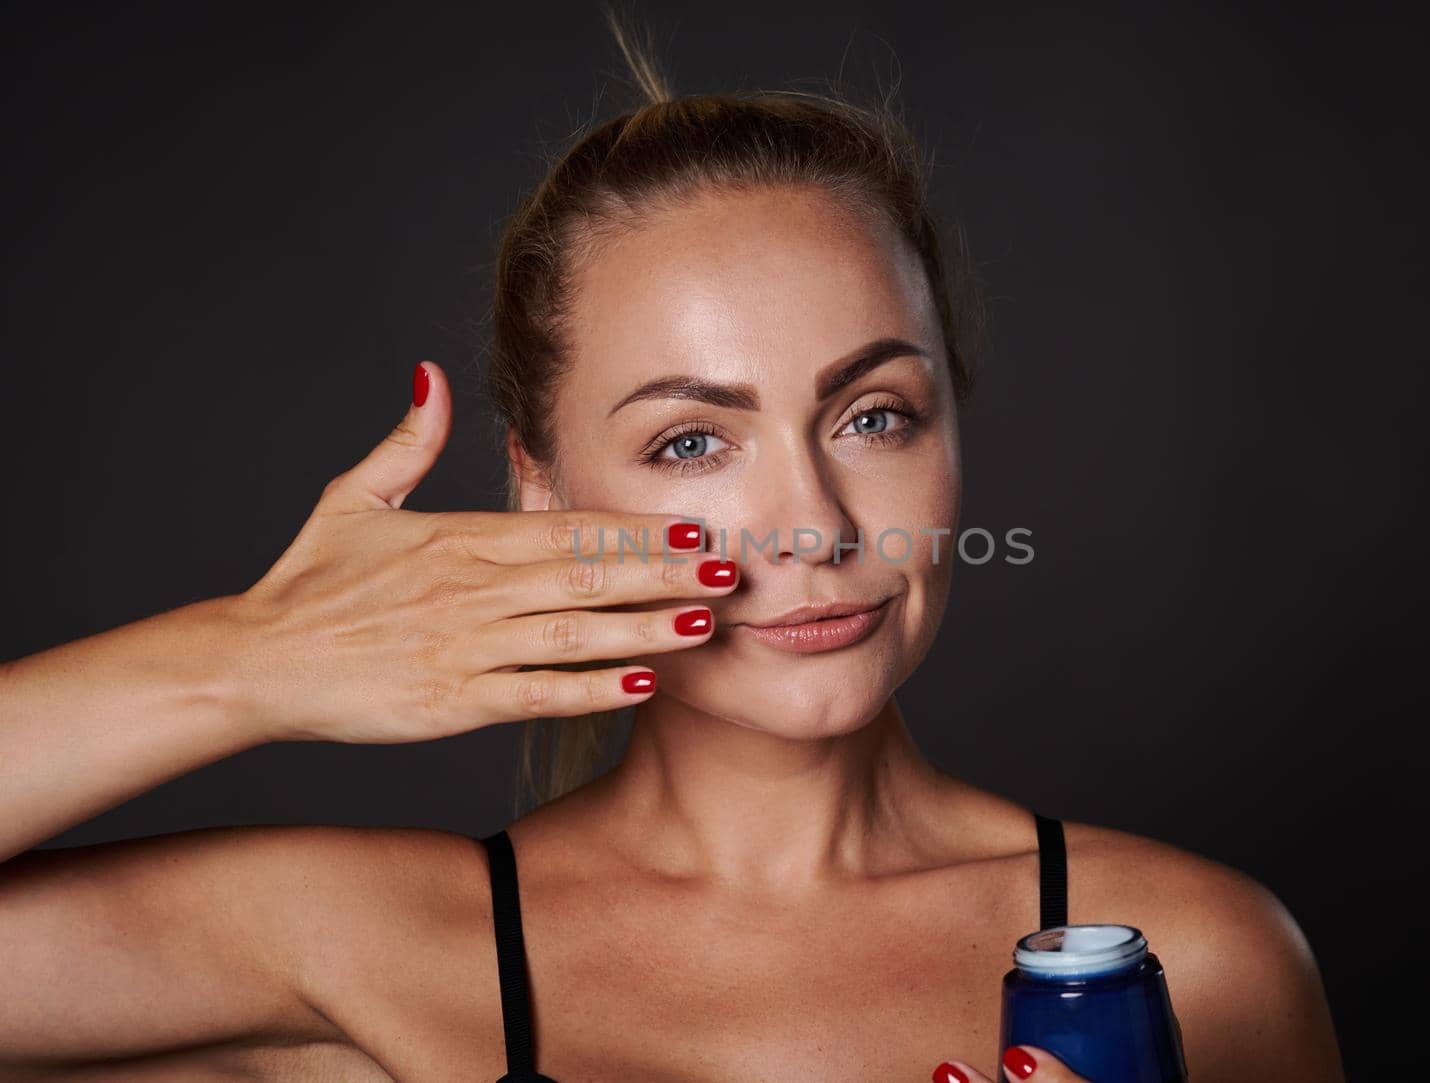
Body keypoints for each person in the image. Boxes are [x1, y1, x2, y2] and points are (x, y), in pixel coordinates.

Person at [0, 12, 1344, 1083]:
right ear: (542, 489)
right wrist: (252, 662)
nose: (814, 524)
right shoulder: (361, 948)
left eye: (874, 414)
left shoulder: (1198, 962)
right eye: (692, 443)